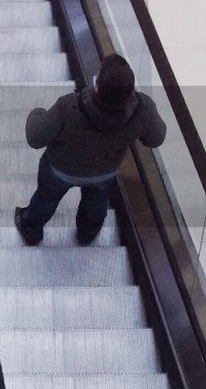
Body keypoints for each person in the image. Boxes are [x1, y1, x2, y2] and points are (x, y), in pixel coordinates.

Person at [14, 53, 166, 246]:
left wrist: (37, 114)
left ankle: (30, 228)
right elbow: (156, 139)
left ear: (98, 85)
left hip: (59, 169)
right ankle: (87, 234)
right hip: (103, 173)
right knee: (96, 202)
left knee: (46, 199)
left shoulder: (68, 107)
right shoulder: (144, 110)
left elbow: (35, 138)